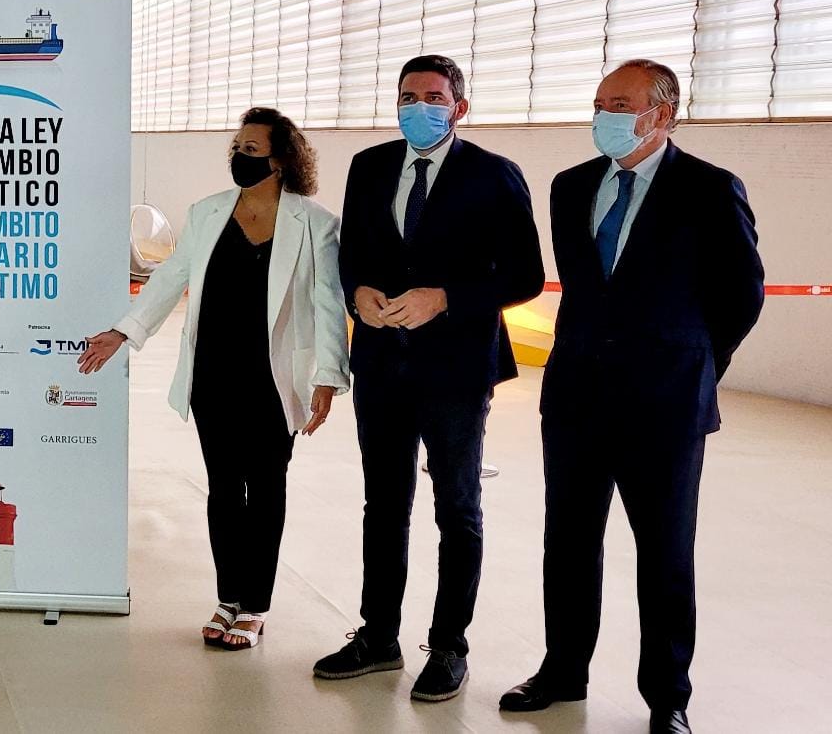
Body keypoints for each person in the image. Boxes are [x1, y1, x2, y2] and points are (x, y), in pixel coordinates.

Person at [501, 60, 764, 734]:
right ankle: (563, 670)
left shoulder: (710, 190)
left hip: (666, 405)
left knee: (666, 552)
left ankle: (666, 695)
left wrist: (696, 365)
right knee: (568, 543)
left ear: (663, 114)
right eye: (599, 102)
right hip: (577, 399)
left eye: (620, 102)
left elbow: (741, 296)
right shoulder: (569, 187)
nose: (605, 114)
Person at [79, 107, 350, 650]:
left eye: (252, 150)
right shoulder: (206, 214)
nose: (240, 157)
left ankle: (256, 605)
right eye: (238, 147)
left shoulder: (315, 223)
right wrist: (122, 331)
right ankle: (229, 597)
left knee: (267, 488)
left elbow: (327, 304)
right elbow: (171, 277)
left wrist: (327, 377)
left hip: (275, 380)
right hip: (214, 376)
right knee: (225, 490)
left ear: (281, 160)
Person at [316, 55, 544, 700]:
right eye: (409, 96)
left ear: (459, 107)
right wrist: (356, 289)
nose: (420, 106)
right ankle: (378, 636)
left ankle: (448, 647)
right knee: (384, 505)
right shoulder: (369, 166)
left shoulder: (496, 176)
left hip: (456, 370)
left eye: (434, 97)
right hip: (384, 362)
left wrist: (446, 296)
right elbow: (353, 250)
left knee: (457, 508)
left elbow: (523, 275)